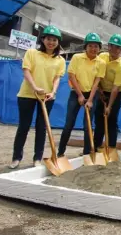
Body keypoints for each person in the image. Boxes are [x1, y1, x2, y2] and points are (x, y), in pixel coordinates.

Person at [9, 25, 66, 169]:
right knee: (24, 126)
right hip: (27, 94)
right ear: (43, 39)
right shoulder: (31, 53)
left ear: (58, 42)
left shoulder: (60, 60)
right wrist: (34, 87)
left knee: (42, 128)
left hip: (46, 97)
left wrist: (53, 92)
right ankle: (16, 158)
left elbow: (57, 78)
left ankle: (37, 158)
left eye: (54, 40)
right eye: (48, 39)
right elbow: (26, 71)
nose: (51, 42)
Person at [57, 32, 106, 158]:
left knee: (87, 125)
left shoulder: (101, 63)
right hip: (76, 93)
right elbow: (72, 76)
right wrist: (79, 95)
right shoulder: (77, 58)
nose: (93, 49)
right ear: (86, 47)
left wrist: (90, 100)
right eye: (90, 46)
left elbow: (96, 82)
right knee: (69, 124)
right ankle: (60, 152)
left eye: (96, 46)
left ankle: (86, 153)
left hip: (91, 94)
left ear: (99, 48)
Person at [94, 34, 121, 151]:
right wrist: (99, 89)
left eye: (117, 47)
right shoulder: (102, 56)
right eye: (112, 46)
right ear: (108, 46)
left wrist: (109, 106)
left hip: (116, 93)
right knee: (99, 119)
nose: (114, 49)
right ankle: (96, 146)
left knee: (111, 119)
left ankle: (111, 147)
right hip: (101, 90)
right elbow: (96, 73)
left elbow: (115, 88)